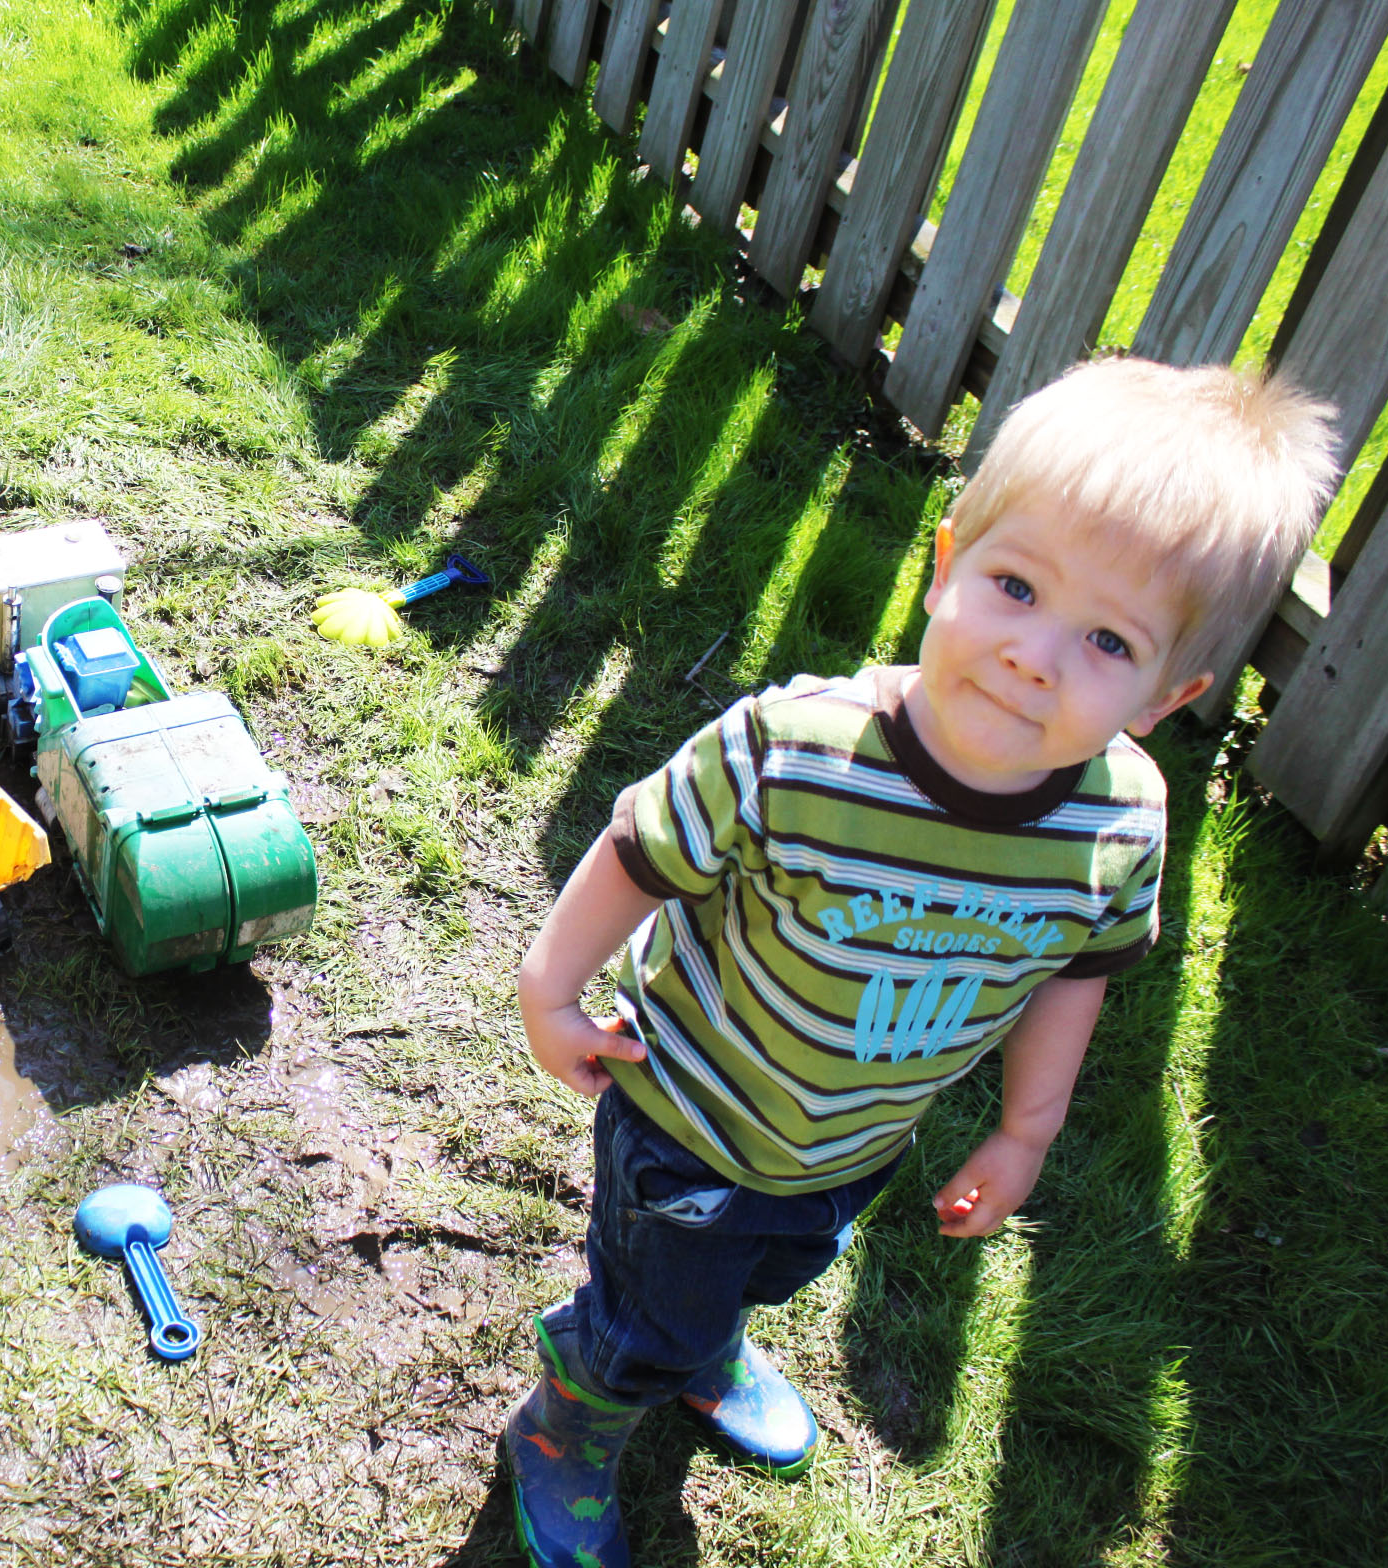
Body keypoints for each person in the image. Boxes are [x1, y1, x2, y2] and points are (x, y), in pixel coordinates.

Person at [504, 357, 1339, 1568]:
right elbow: (642, 848)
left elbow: (1075, 970)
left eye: (1108, 638)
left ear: (1170, 693)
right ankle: (568, 1423)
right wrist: (550, 985)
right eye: (1014, 586)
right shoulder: (798, 749)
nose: (1034, 655)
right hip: (690, 1118)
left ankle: (705, 1346)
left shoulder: (1117, 821)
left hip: (857, 1138)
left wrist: (1024, 1133)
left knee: (778, 1266)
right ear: (946, 566)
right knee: (646, 1312)